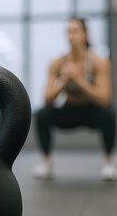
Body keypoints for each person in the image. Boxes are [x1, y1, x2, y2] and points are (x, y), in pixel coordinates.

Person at [33, 17, 116, 180]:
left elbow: (104, 99)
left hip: (92, 112)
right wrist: (64, 81)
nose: (71, 36)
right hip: (69, 110)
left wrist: (79, 80)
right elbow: (47, 99)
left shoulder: (99, 63)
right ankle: (46, 163)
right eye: (68, 32)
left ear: (86, 34)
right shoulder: (57, 62)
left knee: (110, 113)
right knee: (42, 114)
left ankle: (108, 164)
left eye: (76, 31)